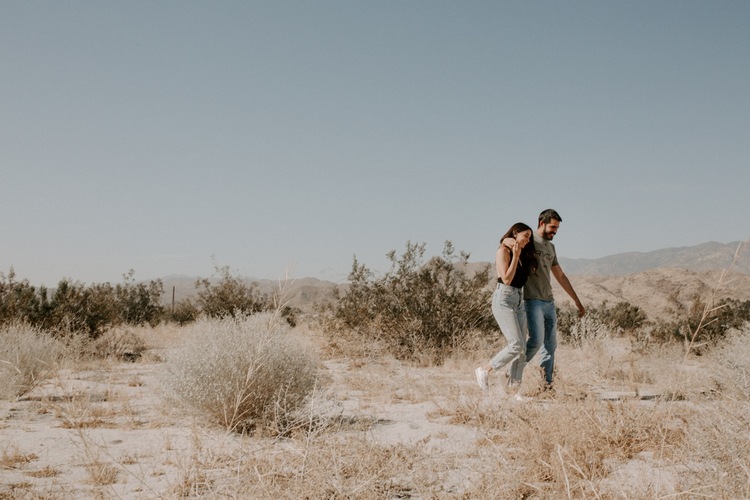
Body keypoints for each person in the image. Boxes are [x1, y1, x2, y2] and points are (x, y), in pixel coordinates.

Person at [508, 209, 585, 389]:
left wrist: (577, 301)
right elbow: (508, 241)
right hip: (531, 299)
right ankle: (513, 373)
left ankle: (547, 385)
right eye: (552, 227)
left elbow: (560, 276)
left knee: (550, 345)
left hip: (548, 301)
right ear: (541, 223)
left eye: (557, 228)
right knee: (535, 341)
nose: (555, 231)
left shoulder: (551, 248)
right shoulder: (528, 240)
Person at [475, 222, 538, 399]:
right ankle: (485, 370)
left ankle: (514, 392)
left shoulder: (522, 252)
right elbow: (507, 279)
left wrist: (519, 251)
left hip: (519, 300)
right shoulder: (503, 251)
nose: (528, 240)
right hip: (504, 299)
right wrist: (515, 253)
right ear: (515, 233)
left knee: (522, 349)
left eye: (530, 237)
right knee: (516, 344)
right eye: (525, 235)